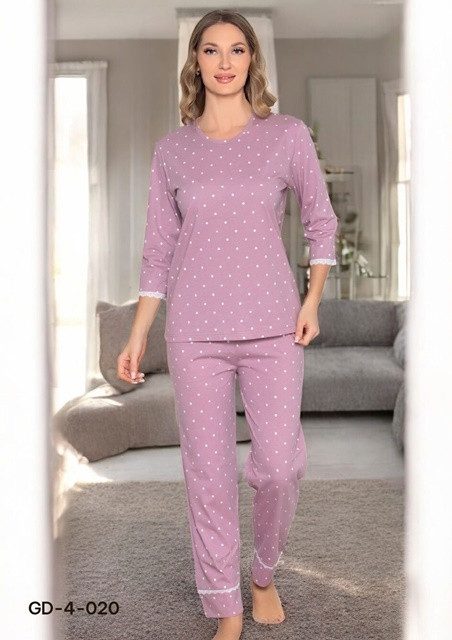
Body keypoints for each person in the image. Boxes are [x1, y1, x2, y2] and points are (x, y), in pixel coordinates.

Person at [117, 9, 338, 640]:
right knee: (208, 473)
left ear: (251, 60)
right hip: (194, 333)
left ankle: (264, 572)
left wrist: (312, 300)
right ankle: (226, 604)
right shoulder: (172, 151)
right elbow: (158, 251)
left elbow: (321, 222)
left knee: (280, 465)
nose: (224, 62)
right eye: (211, 50)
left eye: (237, 49)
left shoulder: (286, 135)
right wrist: (138, 333)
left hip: (274, 327)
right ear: (195, 62)